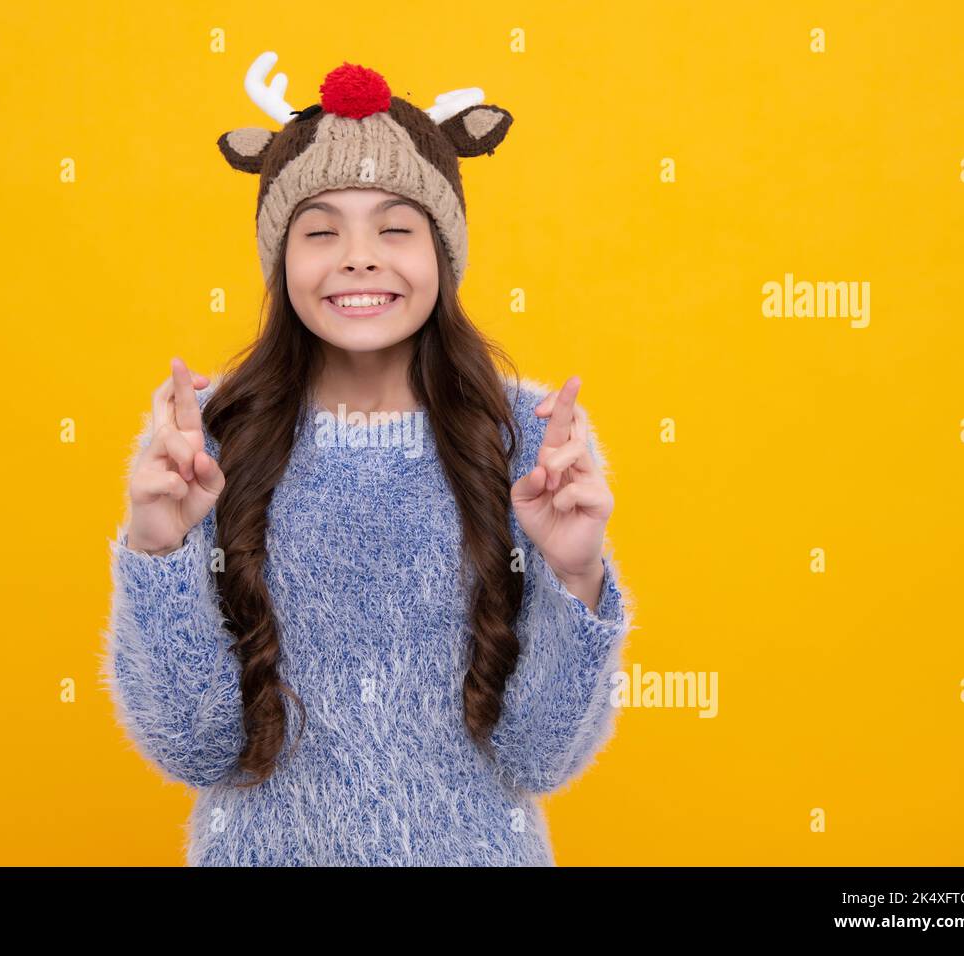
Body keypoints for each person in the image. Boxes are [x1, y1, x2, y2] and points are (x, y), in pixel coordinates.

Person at [100, 52, 634, 866]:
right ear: (281, 261)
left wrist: (574, 574)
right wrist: (157, 548)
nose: (358, 256)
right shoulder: (207, 439)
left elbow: (541, 760)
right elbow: (195, 751)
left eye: (394, 227)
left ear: (442, 256)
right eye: (320, 230)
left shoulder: (529, 437)